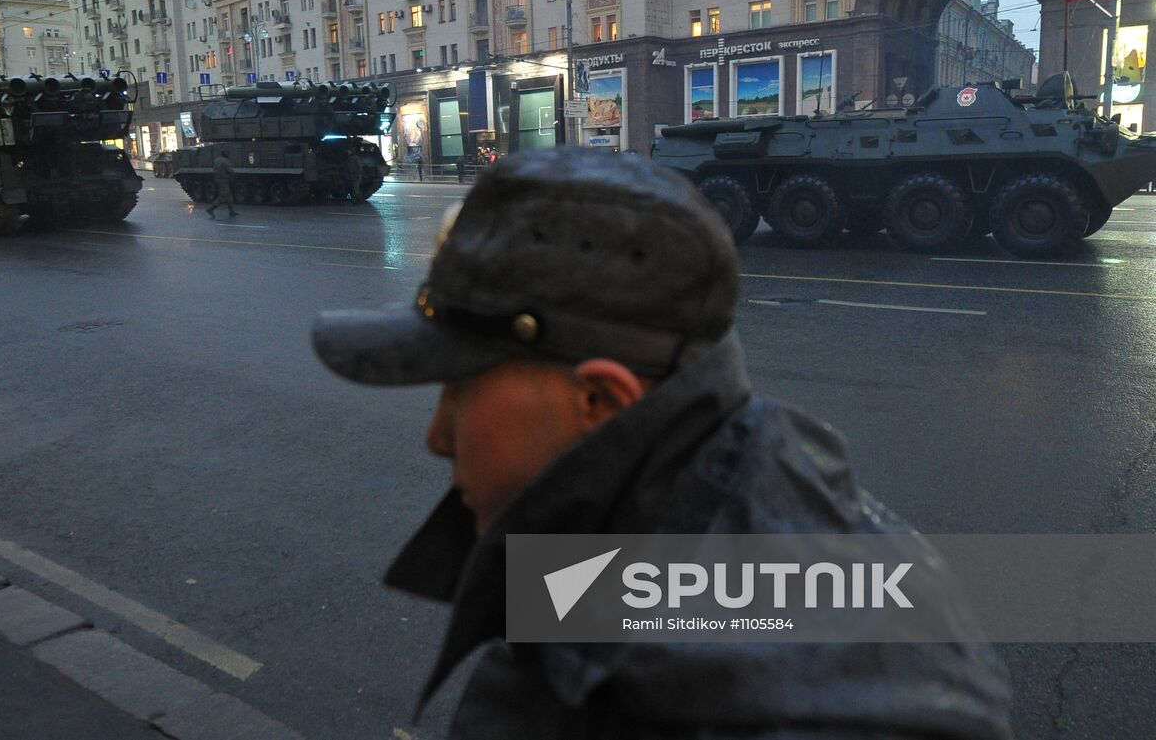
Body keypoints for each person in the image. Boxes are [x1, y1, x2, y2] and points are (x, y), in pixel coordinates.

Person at [311, 148, 1011, 739]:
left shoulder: (749, 702)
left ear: (601, 400)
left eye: (459, 388)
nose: (438, 436)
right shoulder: (728, 477)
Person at [206, 152, 236, 218]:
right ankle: (210, 209)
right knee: (224, 196)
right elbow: (230, 171)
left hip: (218, 179)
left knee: (229, 196)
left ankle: (231, 211)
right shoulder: (225, 161)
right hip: (223, 180)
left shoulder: (217, 160)